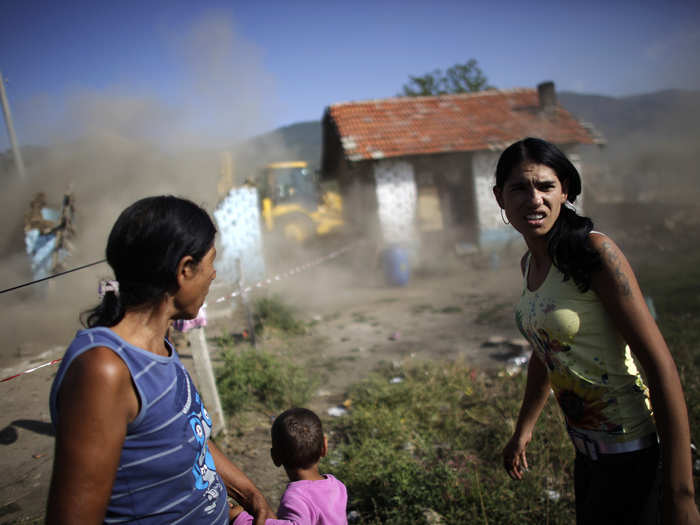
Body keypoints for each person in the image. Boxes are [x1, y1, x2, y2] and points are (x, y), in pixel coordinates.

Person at [494, 138, 699, 525]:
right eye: (519, 188)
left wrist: (680, 491)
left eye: (545, 186)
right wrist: (523, 429)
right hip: (587, 456)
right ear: (500, 198)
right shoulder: (529, 264)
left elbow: (659, 364)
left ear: (565, 191)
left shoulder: (594, 253)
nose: (534, 199)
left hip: (632, 453)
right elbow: (546, 350)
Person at [47, 196, 275, 524]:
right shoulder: (105, 369)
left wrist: (249, 493)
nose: (213, 275)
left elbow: (188, 436)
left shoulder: (159, 346)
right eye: (211, 261)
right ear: (184, 270)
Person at [231, 407, 348, 525]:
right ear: (324, 447)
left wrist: (240, 519)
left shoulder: (296, 498)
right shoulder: (337, 486)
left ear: (275, 457)